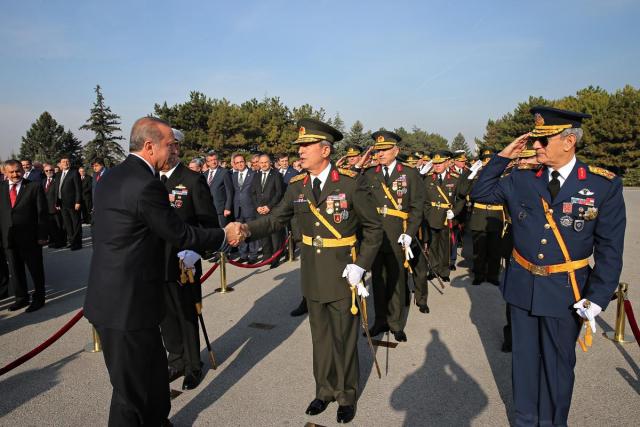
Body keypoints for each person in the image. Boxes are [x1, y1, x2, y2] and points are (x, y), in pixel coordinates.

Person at [471, 106, 626, 426]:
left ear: (569, 141)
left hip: (565, 291)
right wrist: (502, 157)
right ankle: (526, 421)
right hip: (522, 286)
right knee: (525, 365)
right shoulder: (520, 178)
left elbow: (610, 250)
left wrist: (596, 298)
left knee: (557, 368)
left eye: (544, 141)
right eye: (535, 141)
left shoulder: (602, 185)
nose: (536, 147)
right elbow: (480, 192)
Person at [84, 117, 235, 426]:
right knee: (131, 394)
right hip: (126, 306)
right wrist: (224, 235)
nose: (173, 150)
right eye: (169, 144)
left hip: (128, 300)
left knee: (153, 379)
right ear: (150, 145)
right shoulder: (146, 183)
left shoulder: (112, 176)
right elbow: (179, 232)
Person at [232, 118, 382, 424]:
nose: (299, 151)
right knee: (321, 338)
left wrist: (361, 265)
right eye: (299, 146)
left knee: (344, 338)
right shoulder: (297, 185)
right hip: (313, 274)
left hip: (344, 273)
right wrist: (246, 229)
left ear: (325, 150)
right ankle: (324, 390)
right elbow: (275, 220)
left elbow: (374, 228)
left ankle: (346, 394)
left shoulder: (351, 183)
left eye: (305, 146)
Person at [160, 129, 219, 391]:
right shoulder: (151, 180)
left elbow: (208, 224)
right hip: (157, 261)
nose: (168, 152)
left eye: (171, 147)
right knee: (165, 315)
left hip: (185, 260)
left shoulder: (193, 180)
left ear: (176, 150)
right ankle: (176, 360)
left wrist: (195, 251)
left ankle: (194, 365)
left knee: (186, 314)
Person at [363, 131, 425, 341]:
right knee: (378, 282)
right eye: (377, 150)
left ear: (395, 150)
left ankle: (396, 324)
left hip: (398, 235)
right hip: (375, 237)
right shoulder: (370, 174)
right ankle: (380, 321)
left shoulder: (409, 173)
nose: (379, 154)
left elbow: (417, 207)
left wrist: (409, 233)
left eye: (384, 150)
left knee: (397, 281)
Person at [0, 160, 48, 312]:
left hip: (31, 238)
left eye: (17, 170)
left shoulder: (34, 186)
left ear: (22, 169)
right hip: (8, 238)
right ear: (5, 173)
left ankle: (39, 298)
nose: (15, 174)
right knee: (15, 270)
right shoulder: (0, 189)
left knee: (35, 269)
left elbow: (42, 213)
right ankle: (21, 298)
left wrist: (42, 235)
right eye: (11, 172)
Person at [423, 150, 465, 282]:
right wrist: (427, 214)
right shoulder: (428, 178)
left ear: (447, 162)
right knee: (432, 245)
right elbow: (423, 199)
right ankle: (433, 269)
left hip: (447, 217)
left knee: (445, 246)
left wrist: (455, 211)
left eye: (440, 163)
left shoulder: (455, 178)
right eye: (435, 163)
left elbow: (461, 199)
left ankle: (444, 271)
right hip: (432, 216)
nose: (437, 166)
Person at [250, 153, 285, 268]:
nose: (263, 164)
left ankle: (275, 259)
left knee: (275, 236)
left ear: (270, 163)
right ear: (258, 164)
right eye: (261, 162)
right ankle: (266, 257)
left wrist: (269, 206)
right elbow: (253, 193)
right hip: (259, 210)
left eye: (266, 162)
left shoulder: (276, 175)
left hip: (272, 210)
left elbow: (279, 193)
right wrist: (257, 207)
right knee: (264, 235)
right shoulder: (256, 176)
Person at [231, 153, 258, 262]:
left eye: (241, 162)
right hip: (238, 208)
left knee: (250, 232)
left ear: (245, 162)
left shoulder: (253, 174)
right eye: (237, 163)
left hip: (250, 207)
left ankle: (253, 255)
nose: (240, 164)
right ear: (235, 165)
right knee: (239, 232)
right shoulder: (233, 176)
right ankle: (243, 255)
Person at [54, 157, 82, 250]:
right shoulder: (58, 174)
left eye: (67, 161)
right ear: (60, 164)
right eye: (63, 161)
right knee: (68, 224)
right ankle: (71, 241)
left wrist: (78, 201)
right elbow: (57, 189)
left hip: (73, 203)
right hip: (62, 203)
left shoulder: (74, 173)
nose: (65, 163)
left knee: (75, 223)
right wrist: (56, 202)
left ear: (70, 163)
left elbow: (78, 188)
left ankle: (77, 243)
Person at [204, 152, 233, 227]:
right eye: (210, 160)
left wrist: (227, 208)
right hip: (208, 210)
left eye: (215, 159)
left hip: (221, 210)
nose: (213, 162)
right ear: (207, 163)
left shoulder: (225, 172)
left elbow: (229, 192)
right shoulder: (204, 174)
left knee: (222, 232)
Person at [42, 163, 66, 248]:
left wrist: (58, 202)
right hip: (47, 208)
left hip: (56, 206)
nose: (49, 172)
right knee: (51, 226)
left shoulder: (58, 179)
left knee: (59, 226)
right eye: (47, 170)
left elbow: (60, 193)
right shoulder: (43, 181)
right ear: (44, 172)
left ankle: (61, 242)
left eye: (51, 170)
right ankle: (54, 241)